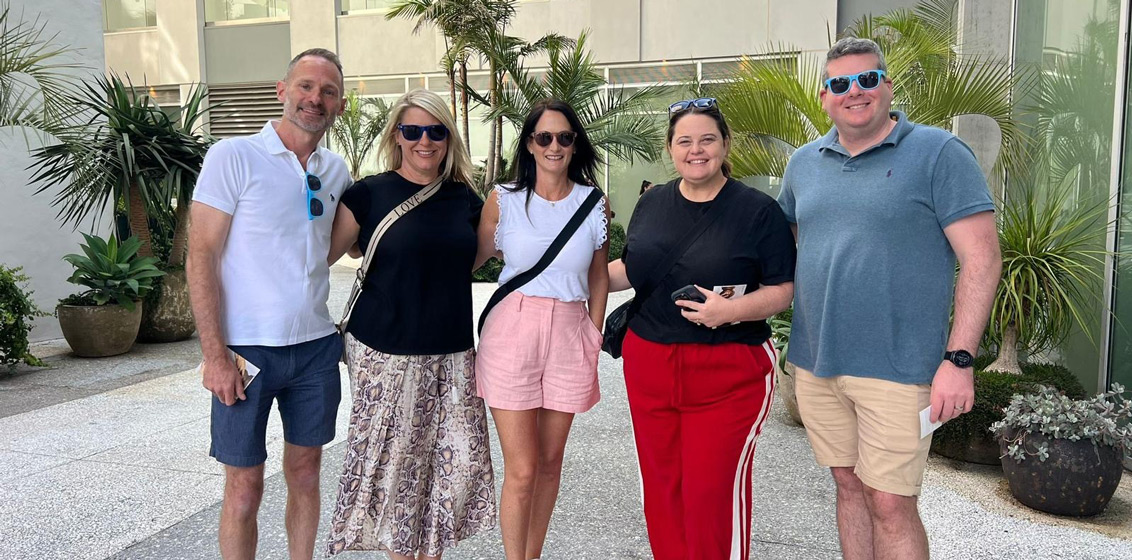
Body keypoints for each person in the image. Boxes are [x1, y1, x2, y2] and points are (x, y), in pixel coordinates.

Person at [777, 37, 1001, 560]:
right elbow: (781, 248)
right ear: (824, 96)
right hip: (817, 362)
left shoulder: (939, 153)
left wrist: (959, 360)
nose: (854, 91)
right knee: (848, 486)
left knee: (891, 503)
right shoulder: (804, 164)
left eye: (867, 78)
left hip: (900, 368)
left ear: (888, 85)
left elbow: (983, 259)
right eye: (840, 83)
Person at [607, 97, 796, 560]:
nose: (696, 150)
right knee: (662, 490)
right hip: (650, 365)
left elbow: (783, 290)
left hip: (728, 370)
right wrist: (563, 271)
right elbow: (631, 270)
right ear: (670, 149)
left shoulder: (758, 211)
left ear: (725, 144)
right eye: (685, 141)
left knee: (711, 495)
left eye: (707, 139)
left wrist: (730, 311)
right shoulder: (652, 202)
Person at [188, 48, 349, 560]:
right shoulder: (233, 156)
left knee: (306, 473)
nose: (315, 98)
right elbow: (201, 255)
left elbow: (329, 248)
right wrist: (214, 356)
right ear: (282, 91)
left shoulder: (335, 170)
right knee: (243, 487)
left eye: (327, 91)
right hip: (245, 352)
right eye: (305, 86)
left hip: (316, 351)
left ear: (340, 105)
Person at [323, 88, 495, 559]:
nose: (425, 141)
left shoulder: (465, 198)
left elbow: (476, 258)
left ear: (448, 138)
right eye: (413, 130)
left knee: (449, 471)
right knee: (398, 471)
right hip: (386, 353)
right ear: (396, 135)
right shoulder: (368, 194)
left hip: (453, 356)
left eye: (436, 131)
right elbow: (317, 258)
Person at [474, 98, 610, 560]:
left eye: (564, 137)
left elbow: (598, 275)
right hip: (513, 328)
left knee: (551, 463)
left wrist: (593, 332)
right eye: (544, 137)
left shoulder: (593, 203)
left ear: (575, 144)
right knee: (523, 469)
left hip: (571, 330)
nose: (555, 146)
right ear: (530, 144)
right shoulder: (504, 199)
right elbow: (470, 258)